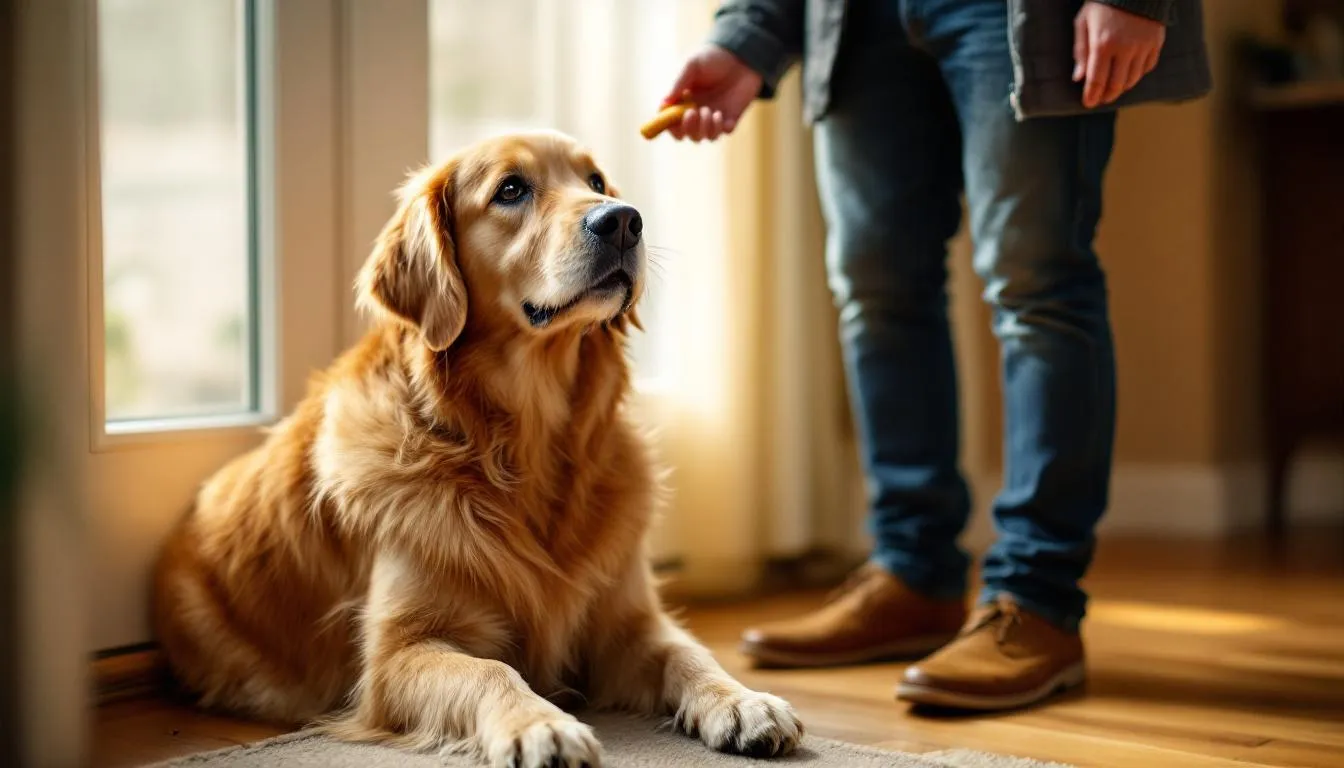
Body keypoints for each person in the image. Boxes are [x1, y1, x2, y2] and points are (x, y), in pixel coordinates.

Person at [662, 0, 1210, 711]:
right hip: (859, 21)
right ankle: (913, 576)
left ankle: (1035, 601)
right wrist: (747, 35)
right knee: (875, 289)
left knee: (1036, 286)